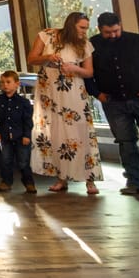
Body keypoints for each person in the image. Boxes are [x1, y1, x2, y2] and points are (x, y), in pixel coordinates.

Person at [86, 10, 139, 196]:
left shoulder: (137, 40)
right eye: (108, 32)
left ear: (120, 26)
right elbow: (88, 72)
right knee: (126, 143)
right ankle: (134, 183)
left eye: (116, 30)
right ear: (100, 29)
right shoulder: (92, 45)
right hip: (113, 102)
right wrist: (97, 93)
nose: (113, 35)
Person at [29, 11, 101, 195]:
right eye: (82, 27)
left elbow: (89, 72)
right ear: (71, 25)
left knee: (80, 130)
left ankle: (89, 180)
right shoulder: (46, 36)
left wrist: (74, 68)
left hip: (73, 91)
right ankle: (61, 177)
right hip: (49, 91)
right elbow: (32, 59)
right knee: (55, 132)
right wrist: (48, 57)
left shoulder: (85, 44)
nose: (85, 31)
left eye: (86, 27)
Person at [0, 70, 35, 193]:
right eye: (3, 82)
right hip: (5, 136)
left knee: (23, 161)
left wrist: (27, 135)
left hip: (21, 136)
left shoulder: (24, 102)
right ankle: (6, 181)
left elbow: (27, 121)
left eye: (8, 82)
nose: (5, 85)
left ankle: (28, 182)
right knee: (6, 160)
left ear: (17, 84)